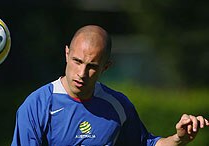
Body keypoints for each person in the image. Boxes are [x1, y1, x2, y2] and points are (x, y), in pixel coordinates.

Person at [11, 25, 209, 146]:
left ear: (106, 67)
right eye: (77, 61)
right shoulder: (37, 105)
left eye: (92, 67)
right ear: (66, 54)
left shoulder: (118, 106)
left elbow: (147, 144)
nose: (81, 73)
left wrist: (179, 139)